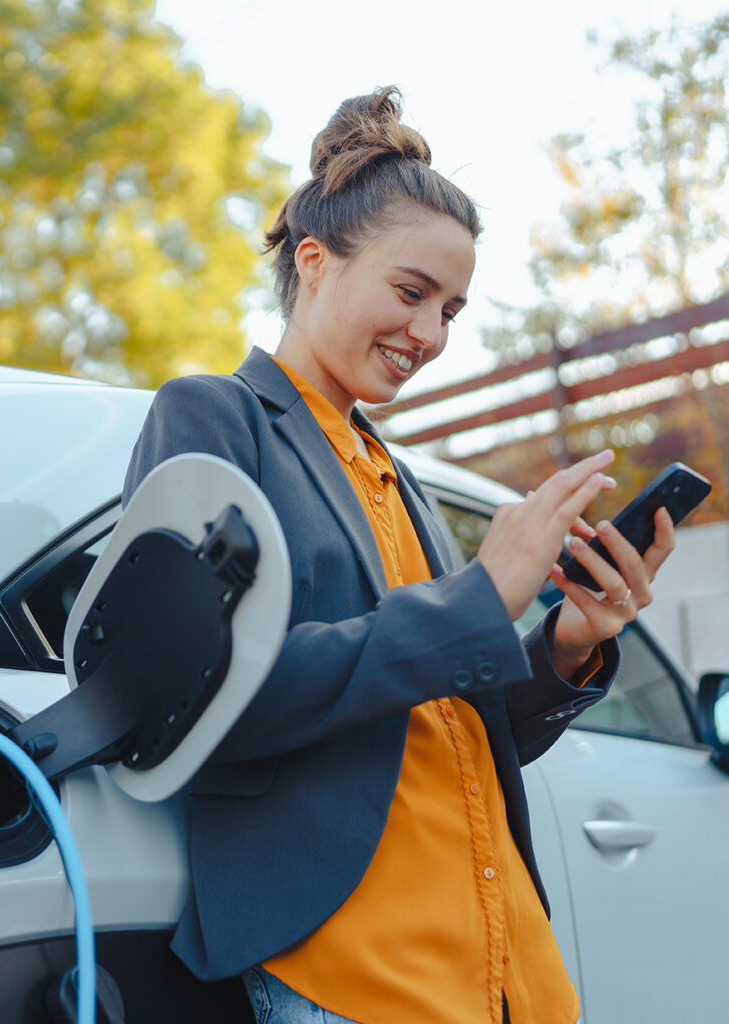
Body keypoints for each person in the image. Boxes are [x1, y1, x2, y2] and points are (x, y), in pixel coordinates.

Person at [122, 87, 674, 1024]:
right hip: (356, 969)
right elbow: (199, 697)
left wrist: (567, 646)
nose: (431, 335)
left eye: (451, 310)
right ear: (315, 261)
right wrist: (480, 599)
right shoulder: (213, 417)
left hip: (504, 968)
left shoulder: (397, 473)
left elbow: (458, 726)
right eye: (411, 293)